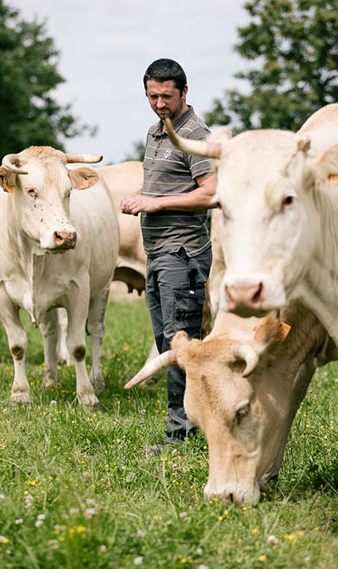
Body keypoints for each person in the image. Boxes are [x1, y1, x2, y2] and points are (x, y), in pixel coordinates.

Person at [122, 58, 217, 453]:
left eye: (166, 96)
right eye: (152, 96)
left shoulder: (195, 134)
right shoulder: (156, 132)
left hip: (184, 255)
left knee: (182, 345)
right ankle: (190, 423)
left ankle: (180, 436)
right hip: (158, 255)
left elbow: (212, 193)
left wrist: (153, 203)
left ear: (184, 92)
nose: (159, 103)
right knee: (168, 346)